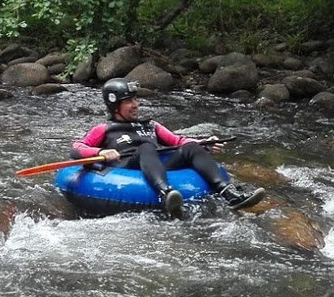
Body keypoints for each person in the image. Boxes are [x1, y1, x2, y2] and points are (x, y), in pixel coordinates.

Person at [70, 78, 265, 218]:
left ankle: (229, 194)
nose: (135, 105)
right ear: (114, 105)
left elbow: (178, 141)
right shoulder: (104, 129)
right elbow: (76, 149)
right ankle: (166, 194)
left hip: (155, 167)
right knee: (146, 148)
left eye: (135, 100)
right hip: (127, 167)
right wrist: (100, 152)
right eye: (129, 101)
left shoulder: (151, 125)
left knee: (190, 147)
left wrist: (205, 143)